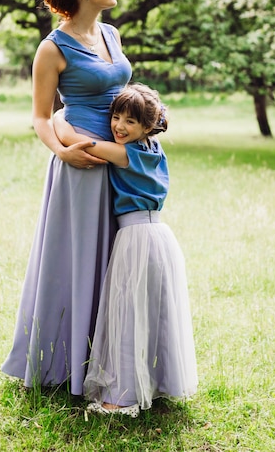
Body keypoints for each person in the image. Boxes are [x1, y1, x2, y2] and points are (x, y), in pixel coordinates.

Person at [1, 0, 132, 396]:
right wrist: (63, 151)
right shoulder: (52, 47)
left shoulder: (111, 33)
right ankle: (66, 367)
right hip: (81, 164)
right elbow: (41, 116)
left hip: (122, 156)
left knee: (122, 254)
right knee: (77, 259)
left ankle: (115, 361)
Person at [54, 83, 198, 416]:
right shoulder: (154, 149)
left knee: (128, 314)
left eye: (129, 121)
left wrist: (60, 118)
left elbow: (84, 144)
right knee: (151, 314)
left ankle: (120, 397)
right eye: (116, 117)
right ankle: (157, 382)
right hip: (159, 237)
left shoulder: (126, 153)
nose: (119, 126)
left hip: (135, 239)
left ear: (148, 126)